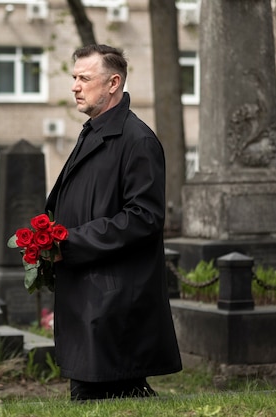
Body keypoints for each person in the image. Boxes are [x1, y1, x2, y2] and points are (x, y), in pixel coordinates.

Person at [45, 44, 183, 401]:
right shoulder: (92, 131)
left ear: (113, 83)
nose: (75, 86)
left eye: (84, 78)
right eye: (74, 78)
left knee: (108, 395)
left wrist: (70, 242)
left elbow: (144, 218)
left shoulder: (137, 140)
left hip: (113, 303)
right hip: (90, 296)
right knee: (97, 394)